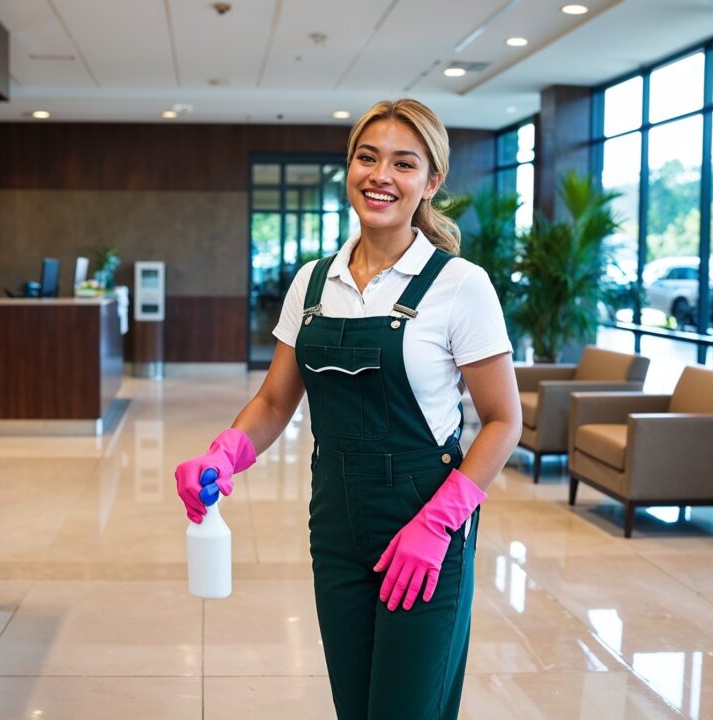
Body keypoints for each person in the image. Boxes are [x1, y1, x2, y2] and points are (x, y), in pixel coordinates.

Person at [175, 98, 522, 719]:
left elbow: (503, 421)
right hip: (336, 520)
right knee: (355, 708)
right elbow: (277, 400)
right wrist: (224, 454)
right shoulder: (313, 282)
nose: (380, 175)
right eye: (368, 157)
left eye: (403, 163)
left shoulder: (460, 285)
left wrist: (438, 523)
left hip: (426, 523)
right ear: (349, 167)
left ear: (431, 182)